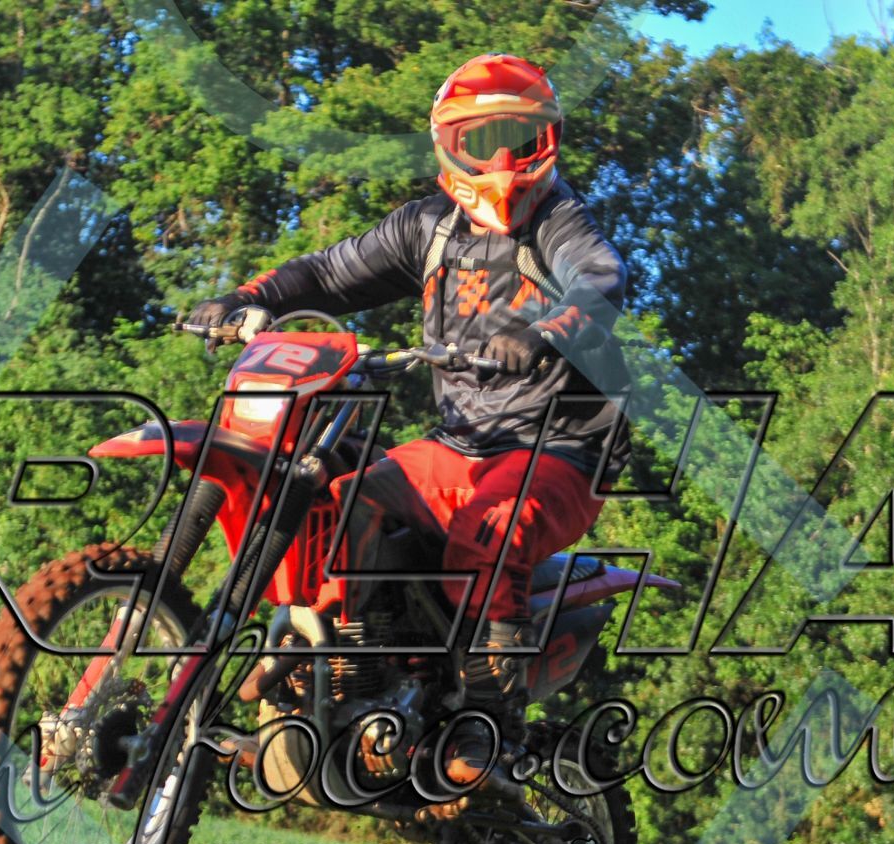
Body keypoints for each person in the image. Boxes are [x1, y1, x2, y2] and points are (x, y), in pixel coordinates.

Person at [187, 52, 628, 791]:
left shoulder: (559, 220)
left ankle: (488, 723)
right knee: (336, 500)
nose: (500, 161)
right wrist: (245, 297)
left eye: (517, 139)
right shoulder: (426, 228)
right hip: (461, 444)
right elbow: (327, 274)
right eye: (481, 141)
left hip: (561, 449)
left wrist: (545, 331)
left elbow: (602, 278)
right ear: (448, 146)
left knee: (488, 533)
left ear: (545, 140)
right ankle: (335, 668)